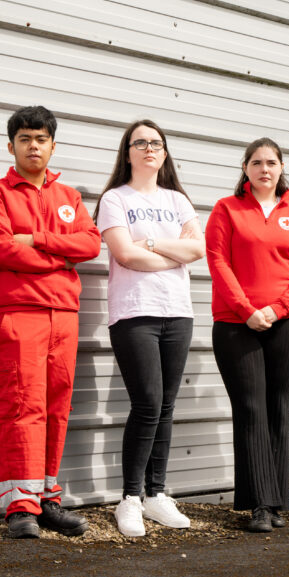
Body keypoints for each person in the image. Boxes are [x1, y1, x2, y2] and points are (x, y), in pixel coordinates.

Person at [0, 105, 102, 538]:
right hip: (19, 312)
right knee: (21, 404)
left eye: (41, 139)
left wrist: (39, 241)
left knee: (56, 407)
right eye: (25, 139)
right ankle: (19, 506)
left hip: (64, 315)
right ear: (11, 145)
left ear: (52, 145)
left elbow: (89, 244)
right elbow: (3, 251)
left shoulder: (68, 198)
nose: (34, 146)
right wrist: (60, 259)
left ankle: (47, 497)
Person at [93, 120, 205, 537]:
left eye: (156, 142)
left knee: (167, 406)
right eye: (140, 142)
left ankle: (157, 494)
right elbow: (124, 254)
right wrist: (173, 253)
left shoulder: (177, 200)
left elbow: (197, 250)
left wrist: (153, 246)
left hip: (177, 311)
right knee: (147, 404)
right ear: (128, 152)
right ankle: (130, 499)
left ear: (164, 151)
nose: (148, 148)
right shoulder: (114, 199)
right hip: (134, 312)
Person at [205, 138, 289, 532]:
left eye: (271, 162)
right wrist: (247, 310)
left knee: (277, 407)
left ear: (282, 166)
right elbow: (218, 262)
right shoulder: (226, 209)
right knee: (251, 408)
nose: (264, 169)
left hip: (286, 323)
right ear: (245, 169)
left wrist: (276, 309)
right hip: (236, 324)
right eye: (256, 163)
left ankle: (275, 502)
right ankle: (258, 504)